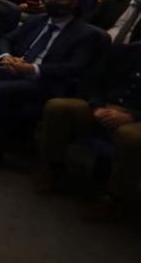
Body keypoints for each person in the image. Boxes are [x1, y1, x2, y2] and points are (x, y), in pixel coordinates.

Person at [0, 0, 107, 167]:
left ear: (74, 3)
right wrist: (6, 56)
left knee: (2, 90)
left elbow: (75, 67)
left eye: (59, 0)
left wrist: (32, 69)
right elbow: (6, 39)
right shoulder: (37, 20)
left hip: (45, 81)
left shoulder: (86, 34)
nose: (52, 3)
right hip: (13, 68)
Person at [37, 43, 141, 220]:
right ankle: (54, 169)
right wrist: (97, 105)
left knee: (130, 137)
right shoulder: (130, 50)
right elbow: (92, 79)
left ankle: (115, 198)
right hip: (105, 105)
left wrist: (133, 116)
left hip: (135, 119)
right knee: (58, 107)